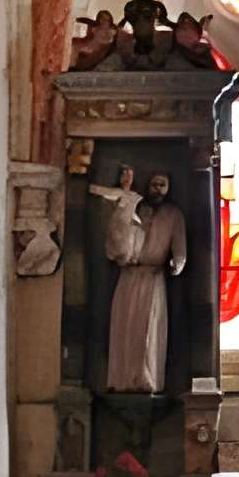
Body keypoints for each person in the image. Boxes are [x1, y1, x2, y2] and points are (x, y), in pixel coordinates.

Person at [89, 166, 188, 393]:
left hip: (153, 278)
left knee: (148, 330)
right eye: (154, 184)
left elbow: (180, 247)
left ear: (168, 188)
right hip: (129, 276)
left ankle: (146, 379)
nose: (158, 189)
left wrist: (177, 264)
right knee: (124, 327)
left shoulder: (174, 215)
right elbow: (117, 236)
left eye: (162, 185)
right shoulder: (138, 208)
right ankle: (121, 379)